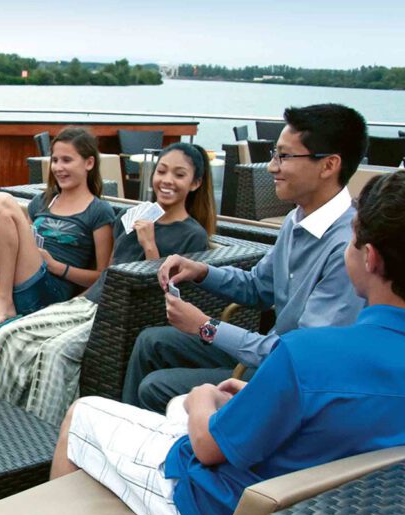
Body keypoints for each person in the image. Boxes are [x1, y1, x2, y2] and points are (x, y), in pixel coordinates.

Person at [49, 170, 405, 515]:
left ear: (369, 258)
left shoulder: (307, 354)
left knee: (84, 414)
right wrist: (257, 393)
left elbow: (207, 447)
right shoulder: (338, 354)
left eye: (351, 240)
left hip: (220, 510)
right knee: (171, 405)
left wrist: (202, 396)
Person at [123, 103, 368, 413]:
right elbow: (257, 287)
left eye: (284, 156)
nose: (272, 167)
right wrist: (200, 271)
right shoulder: (296, 220)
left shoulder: (348, 249)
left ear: (329, 165)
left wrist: (206, 327)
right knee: (150, 342)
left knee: (156, 387)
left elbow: (302, 359)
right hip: (269, 353)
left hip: (292, 380)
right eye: (274, 155)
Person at [0, 143, 216, 424]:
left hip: (119, 319)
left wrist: (150, 246)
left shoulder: (192, 236)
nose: (166, 180)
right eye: (162, 171)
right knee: (11, 335)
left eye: (179, 175)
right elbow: (108, 270)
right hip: (89, 303)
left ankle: (42, 440)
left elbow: (164, 297)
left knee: (53, 354)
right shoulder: (134, 216)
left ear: (196, 183)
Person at [0, 127, 114, 330]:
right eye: (55, 160)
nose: (58, 167)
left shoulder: (99, 211)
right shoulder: (42, 201)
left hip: (43, 295)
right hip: (4, 285)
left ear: (89, 162)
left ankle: (4, 300)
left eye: (67, 160)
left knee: (0, 201)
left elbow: (102, 277)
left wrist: (57, 266)